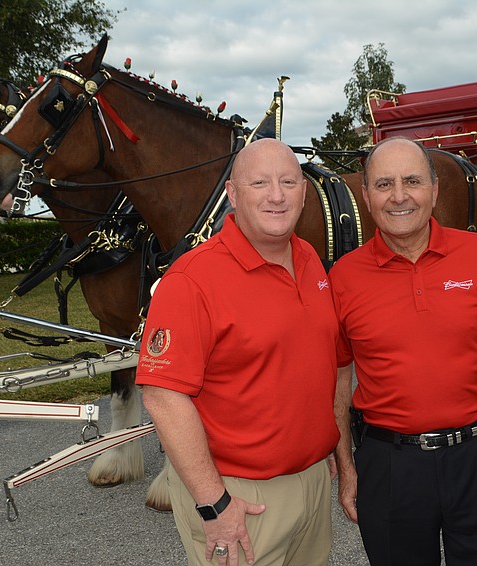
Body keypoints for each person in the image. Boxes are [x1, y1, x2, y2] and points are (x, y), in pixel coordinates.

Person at [330, 137, 477, 565]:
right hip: (388, 466)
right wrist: (347, 469)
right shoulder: (343, 276)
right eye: (384, 184)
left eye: (412, 181)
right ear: (366, 196)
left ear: (435, 189)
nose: (400, 196)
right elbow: (337, 377)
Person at [136, 138, 340, 566]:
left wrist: (329, 452)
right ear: (232, 194)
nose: (277, 195)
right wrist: (214, 504)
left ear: (304, 192)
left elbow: (322, 365)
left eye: (288, 181)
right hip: (239, 496)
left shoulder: (309, 260)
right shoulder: (192, 279)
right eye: (260, 182)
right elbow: (162, 397)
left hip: (312, 481)